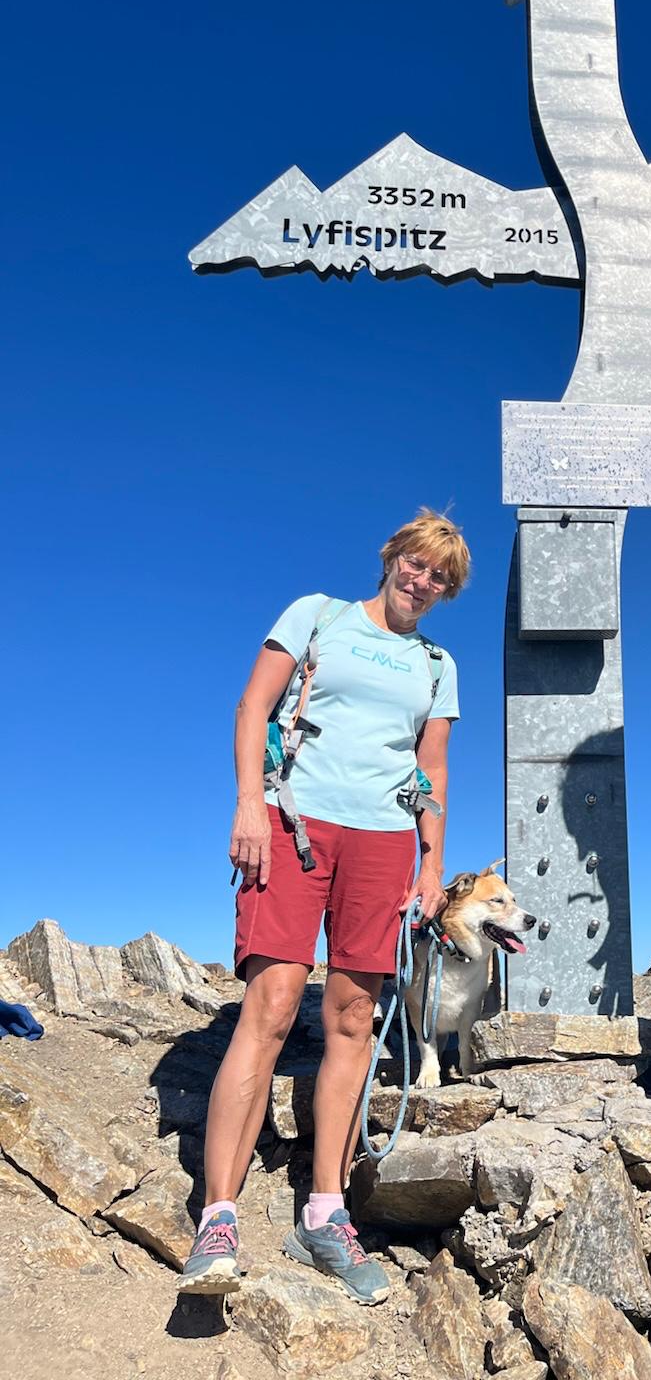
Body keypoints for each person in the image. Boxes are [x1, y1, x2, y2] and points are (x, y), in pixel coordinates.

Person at [178, 510, 469, 1303]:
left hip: (382, 845)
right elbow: (252, 707)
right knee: (270, 1006)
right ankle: (219, 1217)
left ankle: (326, 1213)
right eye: (416, 564)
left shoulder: (439, 664)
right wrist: (247, 805)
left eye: (441, 577)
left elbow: (430, 768)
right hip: (294, 822)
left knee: (351, 1020)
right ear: (391, 559)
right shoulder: (318, 616)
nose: (423, 581)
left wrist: (432, 860)